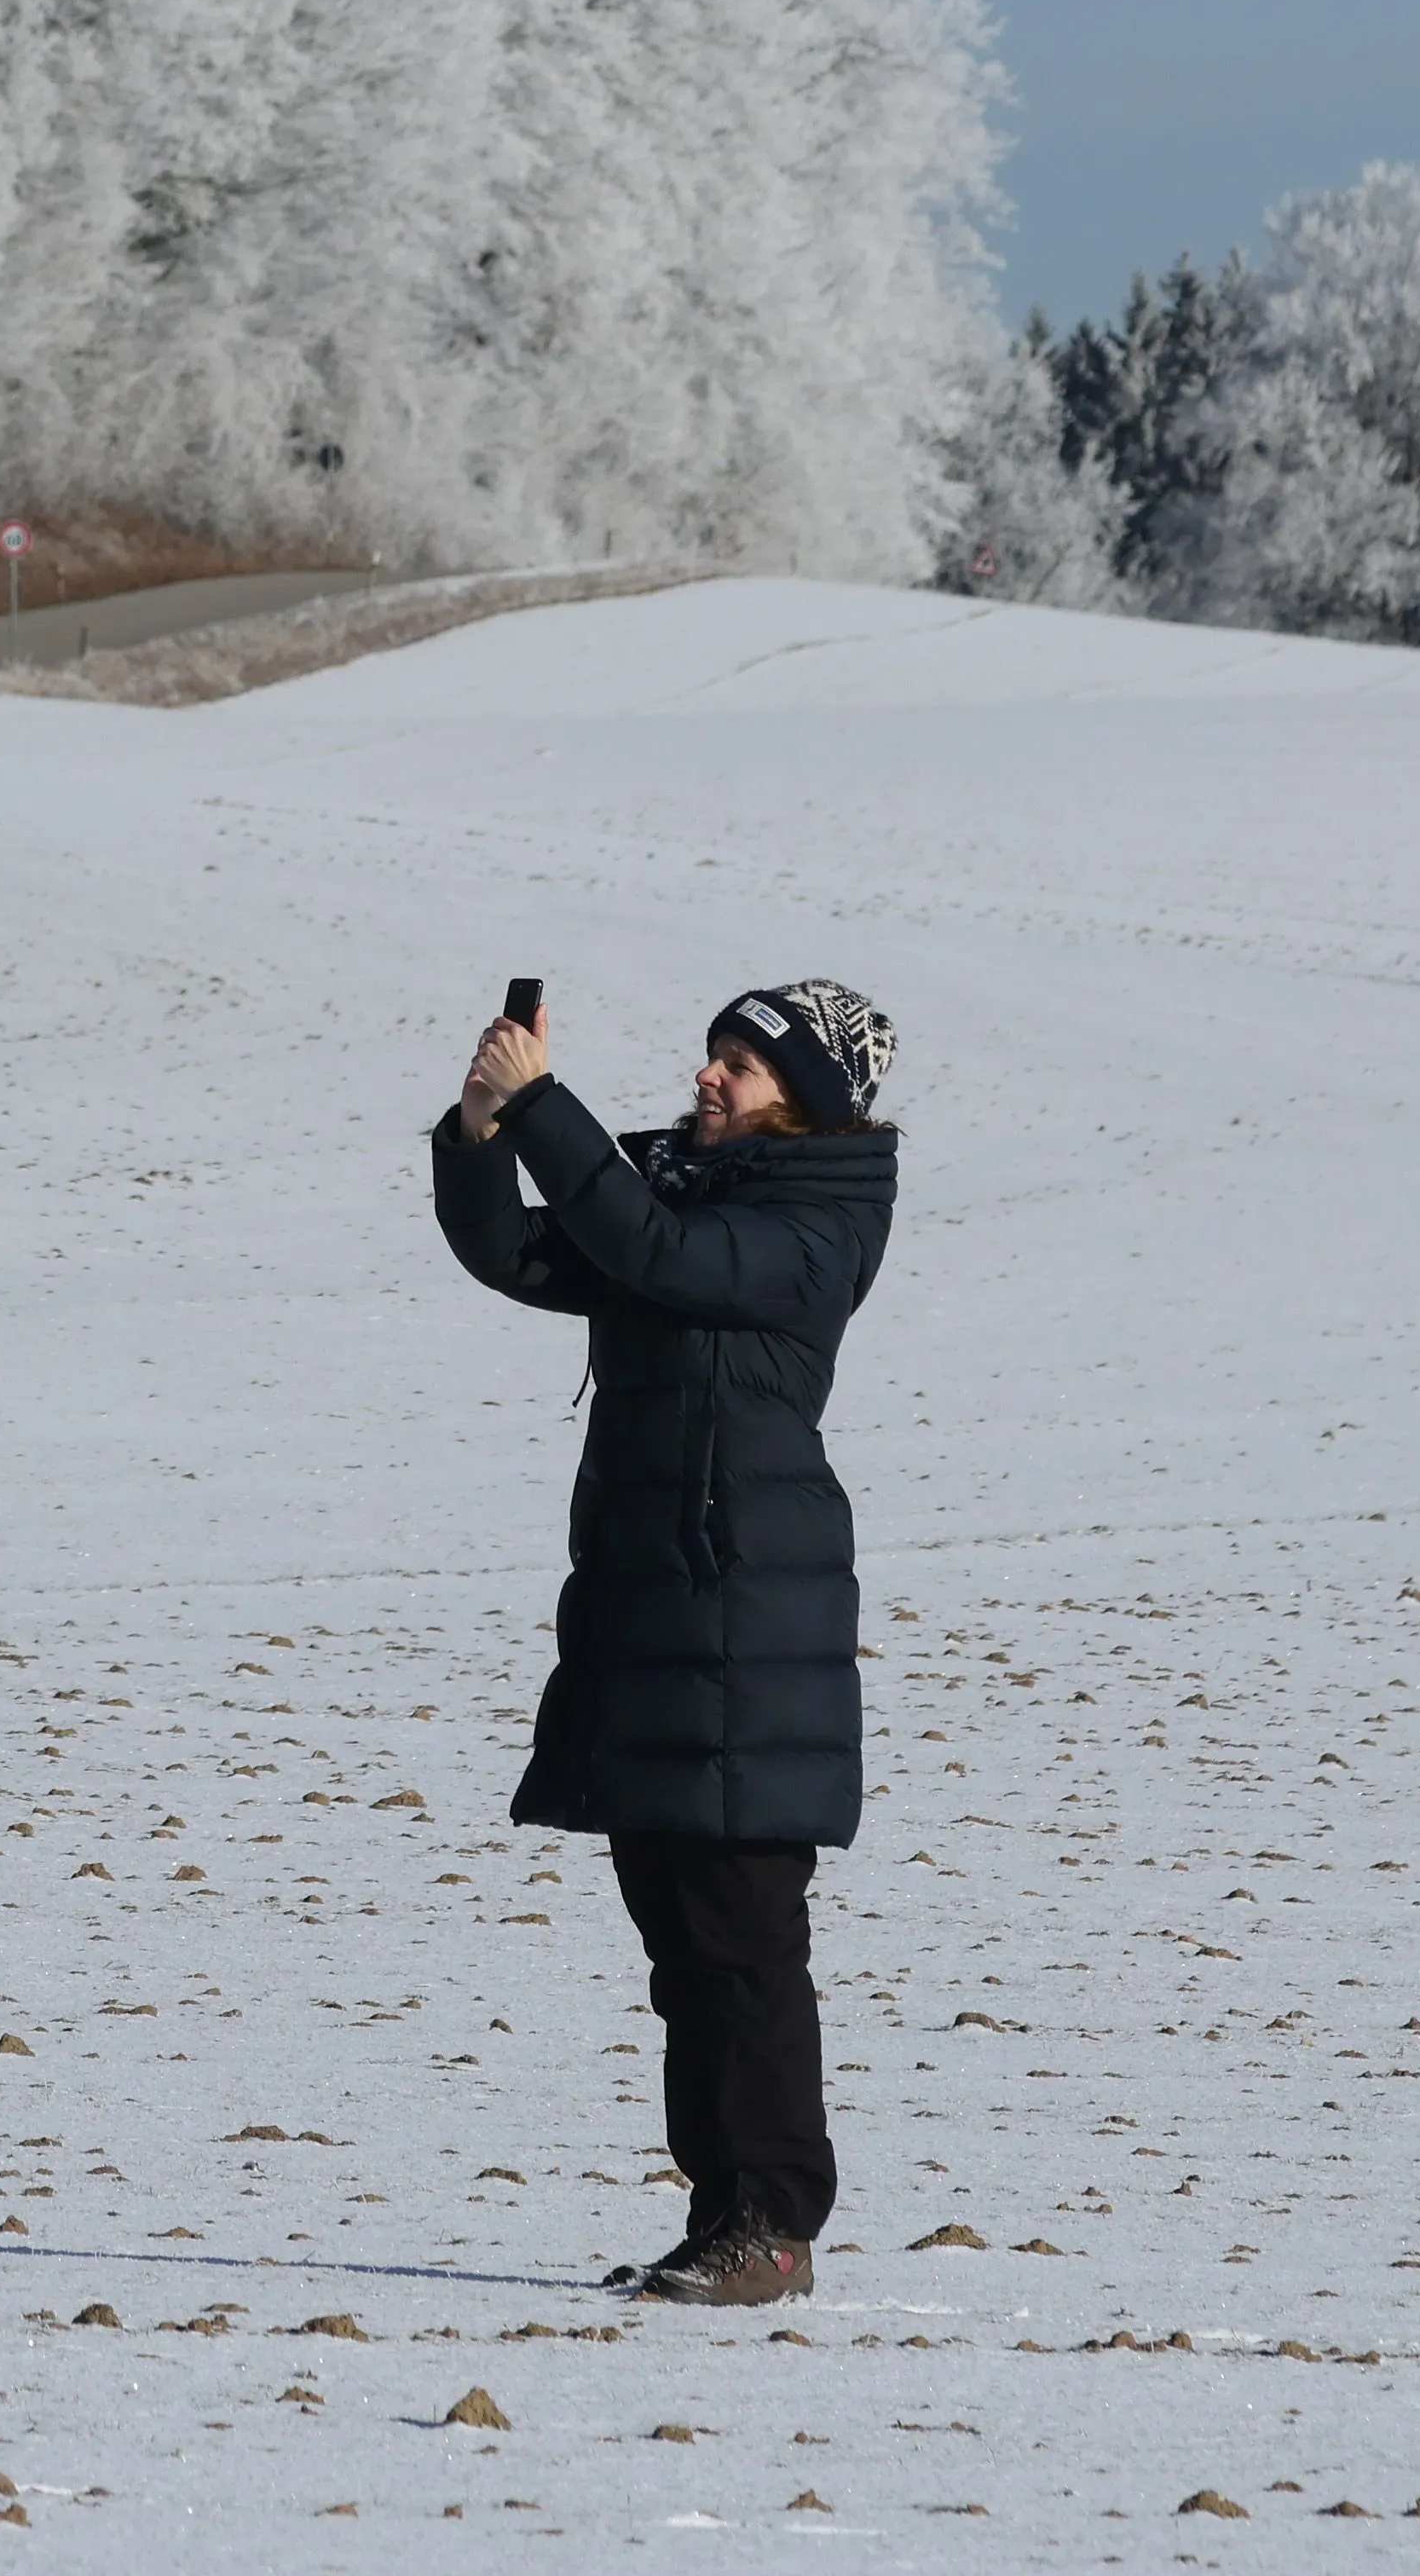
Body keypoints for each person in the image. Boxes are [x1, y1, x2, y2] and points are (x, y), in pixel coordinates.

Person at [430, 973, 902, 2307]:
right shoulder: (687, 1204)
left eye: (742, 1069)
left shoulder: (815, 1224)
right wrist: (479, 1136)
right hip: (655, 1618)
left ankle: (776, 2223)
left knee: (746, 1946)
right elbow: (525, 1255)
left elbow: (654, 1256)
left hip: (753, 1625)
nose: (709, 1078)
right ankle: (724, 2220)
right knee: (682, 1949)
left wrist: (545, 1110)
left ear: (805, 1106)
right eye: (711, 1056)